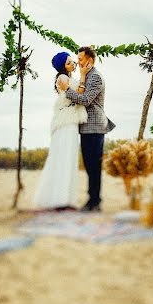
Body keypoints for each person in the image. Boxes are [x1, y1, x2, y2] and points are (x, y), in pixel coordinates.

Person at [33, 52, 90, 210]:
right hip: (65, 121)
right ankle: (58, 198)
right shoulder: (62, 79)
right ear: (62, 67)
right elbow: (78, 94)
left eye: (72, 62)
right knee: (63, 157)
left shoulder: (70, 78)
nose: (73, 64)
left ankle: (66, 199)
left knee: (69, 158)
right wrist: (83, 75)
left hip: (71, 120)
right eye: (69, 63)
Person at [64, 46, 115, 212]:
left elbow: (85, 100)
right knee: (89, 164)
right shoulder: (87, 76)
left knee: (93, 165)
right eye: (77, 59)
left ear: (90, 60)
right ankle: (93, 200)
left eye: (80, 59)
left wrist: (67, 91)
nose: (78, 62)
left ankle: (95, 202)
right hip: (87, 127)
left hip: (95, 127)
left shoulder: (96, 78)